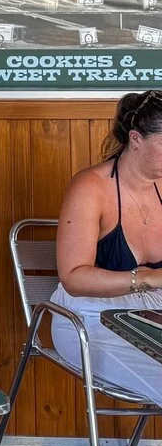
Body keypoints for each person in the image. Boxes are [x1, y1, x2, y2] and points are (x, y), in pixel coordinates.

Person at [51, 90, 162, 404]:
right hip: (87, 318)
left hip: (151, 314)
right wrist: (148, 278)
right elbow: (73, 278)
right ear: (136, 139)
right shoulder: (91, 188)